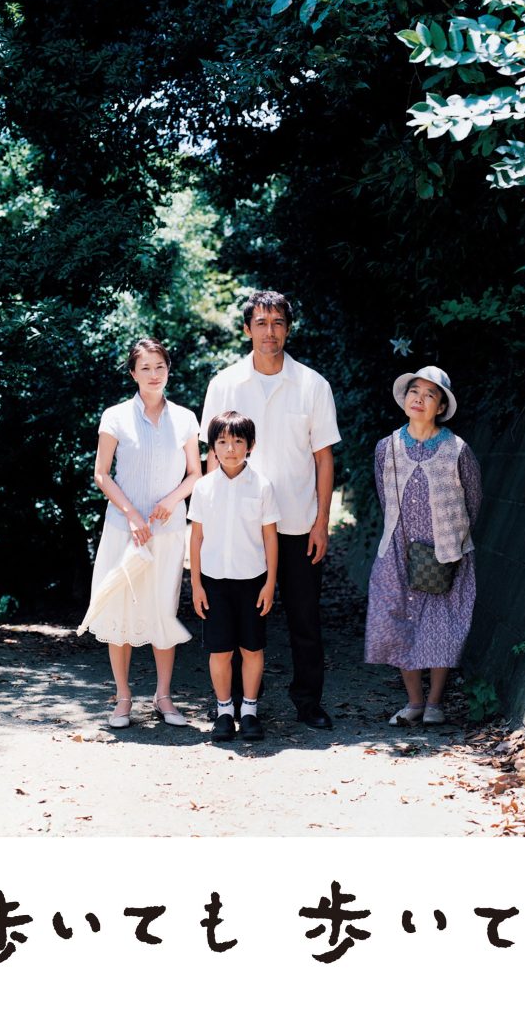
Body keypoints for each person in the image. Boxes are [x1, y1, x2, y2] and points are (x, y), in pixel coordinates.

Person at [200, 290, 341, 729]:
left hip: (298, 521)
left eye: (278, 322)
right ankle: (237, 705)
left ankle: (308, 702)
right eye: (261, 323)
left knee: (304, 617)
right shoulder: (224, 384)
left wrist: (322, 522)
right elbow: (211, 457)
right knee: (237, 623)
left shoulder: (313, 385)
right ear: (247, 329)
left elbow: (323, 457)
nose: (270, 331)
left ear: (288, 328)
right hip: (238, 529)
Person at [85, 337, 201, 729]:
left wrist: (172, 500)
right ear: (133, 373)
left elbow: (196, 473)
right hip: (123, 529)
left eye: (160, 366)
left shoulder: (185, 418)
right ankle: (122, 698)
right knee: (120, 606)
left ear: (169, 369)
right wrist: (133, 515)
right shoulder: (115, 416)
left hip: (167, 531)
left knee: (162, 608)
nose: (154, 374)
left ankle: (164, 697)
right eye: (145, 368)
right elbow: (102, 474)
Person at [364, 365, 482, 725]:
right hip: (396, 549)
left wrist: (452, 540)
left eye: (430, 394)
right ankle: (413, 702)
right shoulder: (387, 447)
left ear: (441, 406)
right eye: (415, 391)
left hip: (445, 550)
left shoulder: (457, 449)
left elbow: (473, 499)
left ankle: (434, 703)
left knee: (442, 624)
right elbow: (385, 498)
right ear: (405, 399)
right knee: (395, 619)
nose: (419, 398)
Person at [188, 411, 280, 742]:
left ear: (250, 446)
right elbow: (196, 538)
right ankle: (225, 711)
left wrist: (270, 583)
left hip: (253, 580)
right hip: (214, 582)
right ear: (212, 447)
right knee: (220, 651)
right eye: (223, 442)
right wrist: (196, 585)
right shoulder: (203, 488)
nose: (230, 449)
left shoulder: (262, 486)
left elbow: (270, 537)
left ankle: (250, 711)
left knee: (253, 649)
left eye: (238, 441)